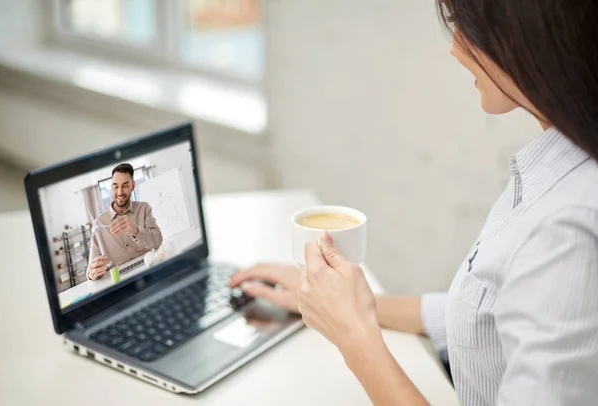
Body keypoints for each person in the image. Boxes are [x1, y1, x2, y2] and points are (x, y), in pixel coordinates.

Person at [230, 1, 598, 405]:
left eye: (465, 26)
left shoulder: (568, 227)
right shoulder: (556, 165)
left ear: (528, 35)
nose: (456, 48)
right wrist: (341, 304)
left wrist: (356, 336)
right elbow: (485, 317)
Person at [87, 164, 163, 281]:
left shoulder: (144, 208)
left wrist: (135, 230)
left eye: (125, 186)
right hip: (120, 283)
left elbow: (157, 242)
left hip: (149, 274)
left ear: (132, 185)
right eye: (115, 186)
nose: (120, 192)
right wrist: (92, 274)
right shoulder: (99, 223)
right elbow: (91, 271)